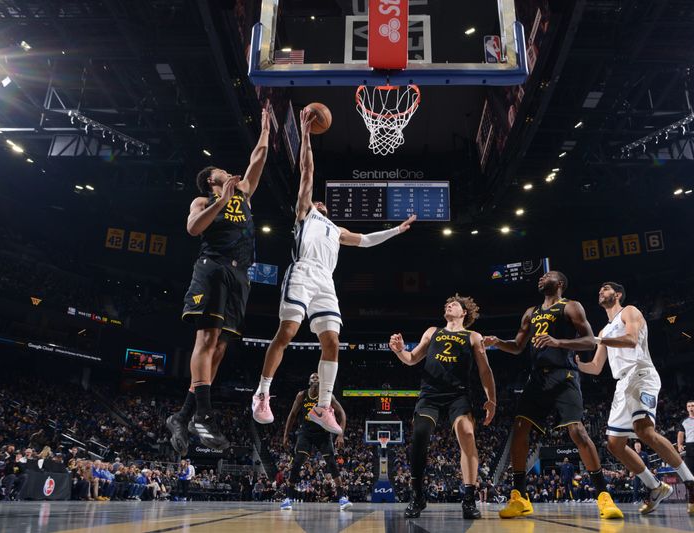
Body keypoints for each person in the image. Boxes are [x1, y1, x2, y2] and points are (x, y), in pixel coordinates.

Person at [252, 107, 416, 432]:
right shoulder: (304, 213)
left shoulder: (336, 229)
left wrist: (396, 230)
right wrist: (307, 138)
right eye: (317, 201)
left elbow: (367, 240)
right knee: (287, 332)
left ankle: (323, 407)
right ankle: (262, 393)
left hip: (326, 282)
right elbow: (308, 173)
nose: (320, 202)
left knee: (332, 341)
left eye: (322, 202)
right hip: (303, 272)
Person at [166, 109, 271, 453]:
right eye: (221, 173)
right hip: (213, 268)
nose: (229, 173)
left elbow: (258, 158)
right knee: (207, 338)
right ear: (212, 181)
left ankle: (183, 415)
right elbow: (193, 228)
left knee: (222, 346)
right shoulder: (205, 199)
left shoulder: (244, 195)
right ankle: (205, 416)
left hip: (240, 275)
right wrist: (221, 201)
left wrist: (267, 128)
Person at [484, 271, 623, 519]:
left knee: (577, 431)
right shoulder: (531, 312)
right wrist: (497, 342)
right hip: (537, 378)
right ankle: (519, 496)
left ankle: (604, 496)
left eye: (546, 275)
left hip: (564, 375)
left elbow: (590, 342)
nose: (540, 278)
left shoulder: (571, 306)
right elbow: (517, 347)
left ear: (559, 283)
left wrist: (557, 342)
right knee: (519, 428)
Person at [576, 281, 694, 515]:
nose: (601, 291)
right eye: (599, 290)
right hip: (622, 384)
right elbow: (596, 367)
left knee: (645, 431)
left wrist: (597, 341)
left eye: (606, 288)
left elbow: (631, 340)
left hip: (641, 373)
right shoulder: (604, 331)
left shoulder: (630, 311)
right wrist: (576, 365)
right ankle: (655, 486)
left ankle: (692, 483)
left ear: (617, 294)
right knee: (614, 444)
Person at [389, 294, 496, 519]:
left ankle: (469, 499)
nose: (448, 305)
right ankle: (417, 495)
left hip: (458, 396)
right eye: (446, 304)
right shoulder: (432, 331)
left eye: (454, 304)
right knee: (419, 435)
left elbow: (485, 371)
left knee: (467, 433)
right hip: (430, 395)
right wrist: (399, 350)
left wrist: (491, 400)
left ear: (464, 312)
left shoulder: (473, 336)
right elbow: (411, 358)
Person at [278, 373, 352, 511]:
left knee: (331, 463)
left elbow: (341, 413)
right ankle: (288, 498)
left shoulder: (327, 396)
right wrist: (285, 435)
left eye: (318, 377)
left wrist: (340, 434)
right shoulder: (302, 395)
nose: (316, 378)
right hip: (305, 433)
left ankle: (342, 498)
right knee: (298, 461)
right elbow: (292, 415)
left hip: (323, 433)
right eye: (313, 377)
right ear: (309, 381)